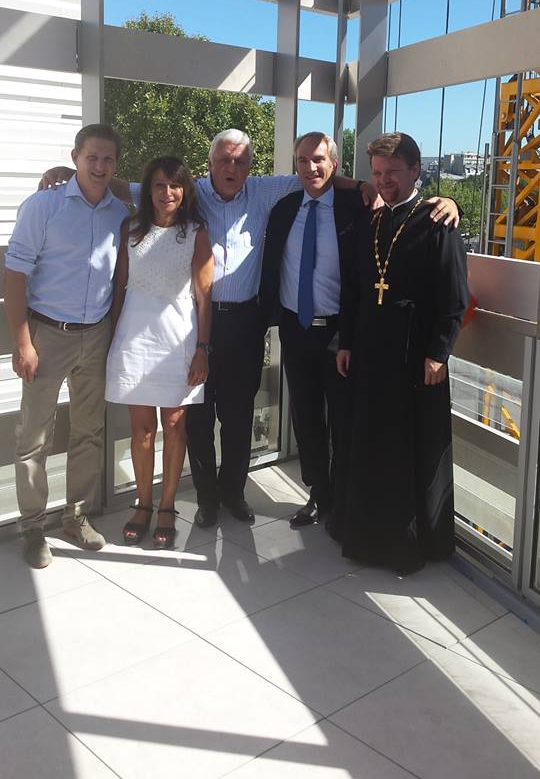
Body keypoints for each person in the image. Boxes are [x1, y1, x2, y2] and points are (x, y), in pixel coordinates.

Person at [40, 128, 458, 530]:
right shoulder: (188, 190)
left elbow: (315, 173)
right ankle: (206, 499)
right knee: (198, 418)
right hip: (192, 324)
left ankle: (234, 493)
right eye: (223, 159)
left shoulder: (266, 190)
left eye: (240, 161)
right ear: (209, 164)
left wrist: (367, 185)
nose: (231, 167)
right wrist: (69, 175)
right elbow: (128, 186)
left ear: (250, 167)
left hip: (245, 321)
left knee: (239, 414)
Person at [333, 132, 469, 575]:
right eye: (376, 173)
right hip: (371, 354)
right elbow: (353, 290)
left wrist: (439, 353)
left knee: (408, 450)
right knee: (369, 445)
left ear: (415, 171)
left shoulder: (437, 222)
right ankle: (365, 536)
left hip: (413, 357)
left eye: (392, 172)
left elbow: (454, 296)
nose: (383, 180)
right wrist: (347, 341)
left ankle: (407, 545)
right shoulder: (370, 221)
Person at [4, 124, 128, 568]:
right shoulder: (44, 205)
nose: (99, 165)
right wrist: (22, 343)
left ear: (115, 165)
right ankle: (34, 526)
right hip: (46, 334)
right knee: (33, 436)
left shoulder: (120, 210)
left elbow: (163, 188)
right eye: (91, 156)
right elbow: (14, 275)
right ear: (75, 157)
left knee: (89, 430)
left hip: (95, 335)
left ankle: (76, 515)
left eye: (108, 159)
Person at [259, 132, 369, 526]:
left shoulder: (355, 207)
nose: (311, 168)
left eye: (319, 159)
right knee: (305, 419)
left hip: (339, 336)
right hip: (296, 328)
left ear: (334, 164)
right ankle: (318, 495)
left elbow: (400, 206)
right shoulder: (285, 208)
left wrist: (450, 201)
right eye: (303, 160)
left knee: (343, 419)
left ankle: (344, 499)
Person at [106, 157, 213, 548]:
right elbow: (120, 287)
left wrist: (202, 350)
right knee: (142, 430)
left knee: (173, 425)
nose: (167, 193)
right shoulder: (130, 228)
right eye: (158, 185)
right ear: (147, 190)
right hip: (133, 340)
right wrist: (113, 341)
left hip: (177, 342)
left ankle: (167, 506)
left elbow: (204, 299)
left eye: (175, 185)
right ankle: (144, 503)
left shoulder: (196, 231)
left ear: (185, 190)